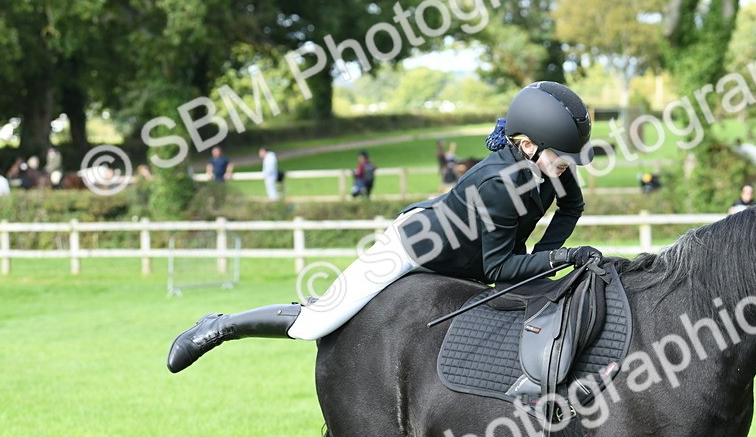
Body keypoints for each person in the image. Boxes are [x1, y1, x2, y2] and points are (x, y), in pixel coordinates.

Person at [168, 80, 602, 373]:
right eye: (561, 157)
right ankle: (220, 326)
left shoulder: (549, 165)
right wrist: (559, 258)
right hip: (415, 249)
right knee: (317, 323)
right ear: (526, 145)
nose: (566, 168)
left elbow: (570, 209)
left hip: (473, 259)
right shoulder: (499, 186)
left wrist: (544, 258)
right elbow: (496, 270)